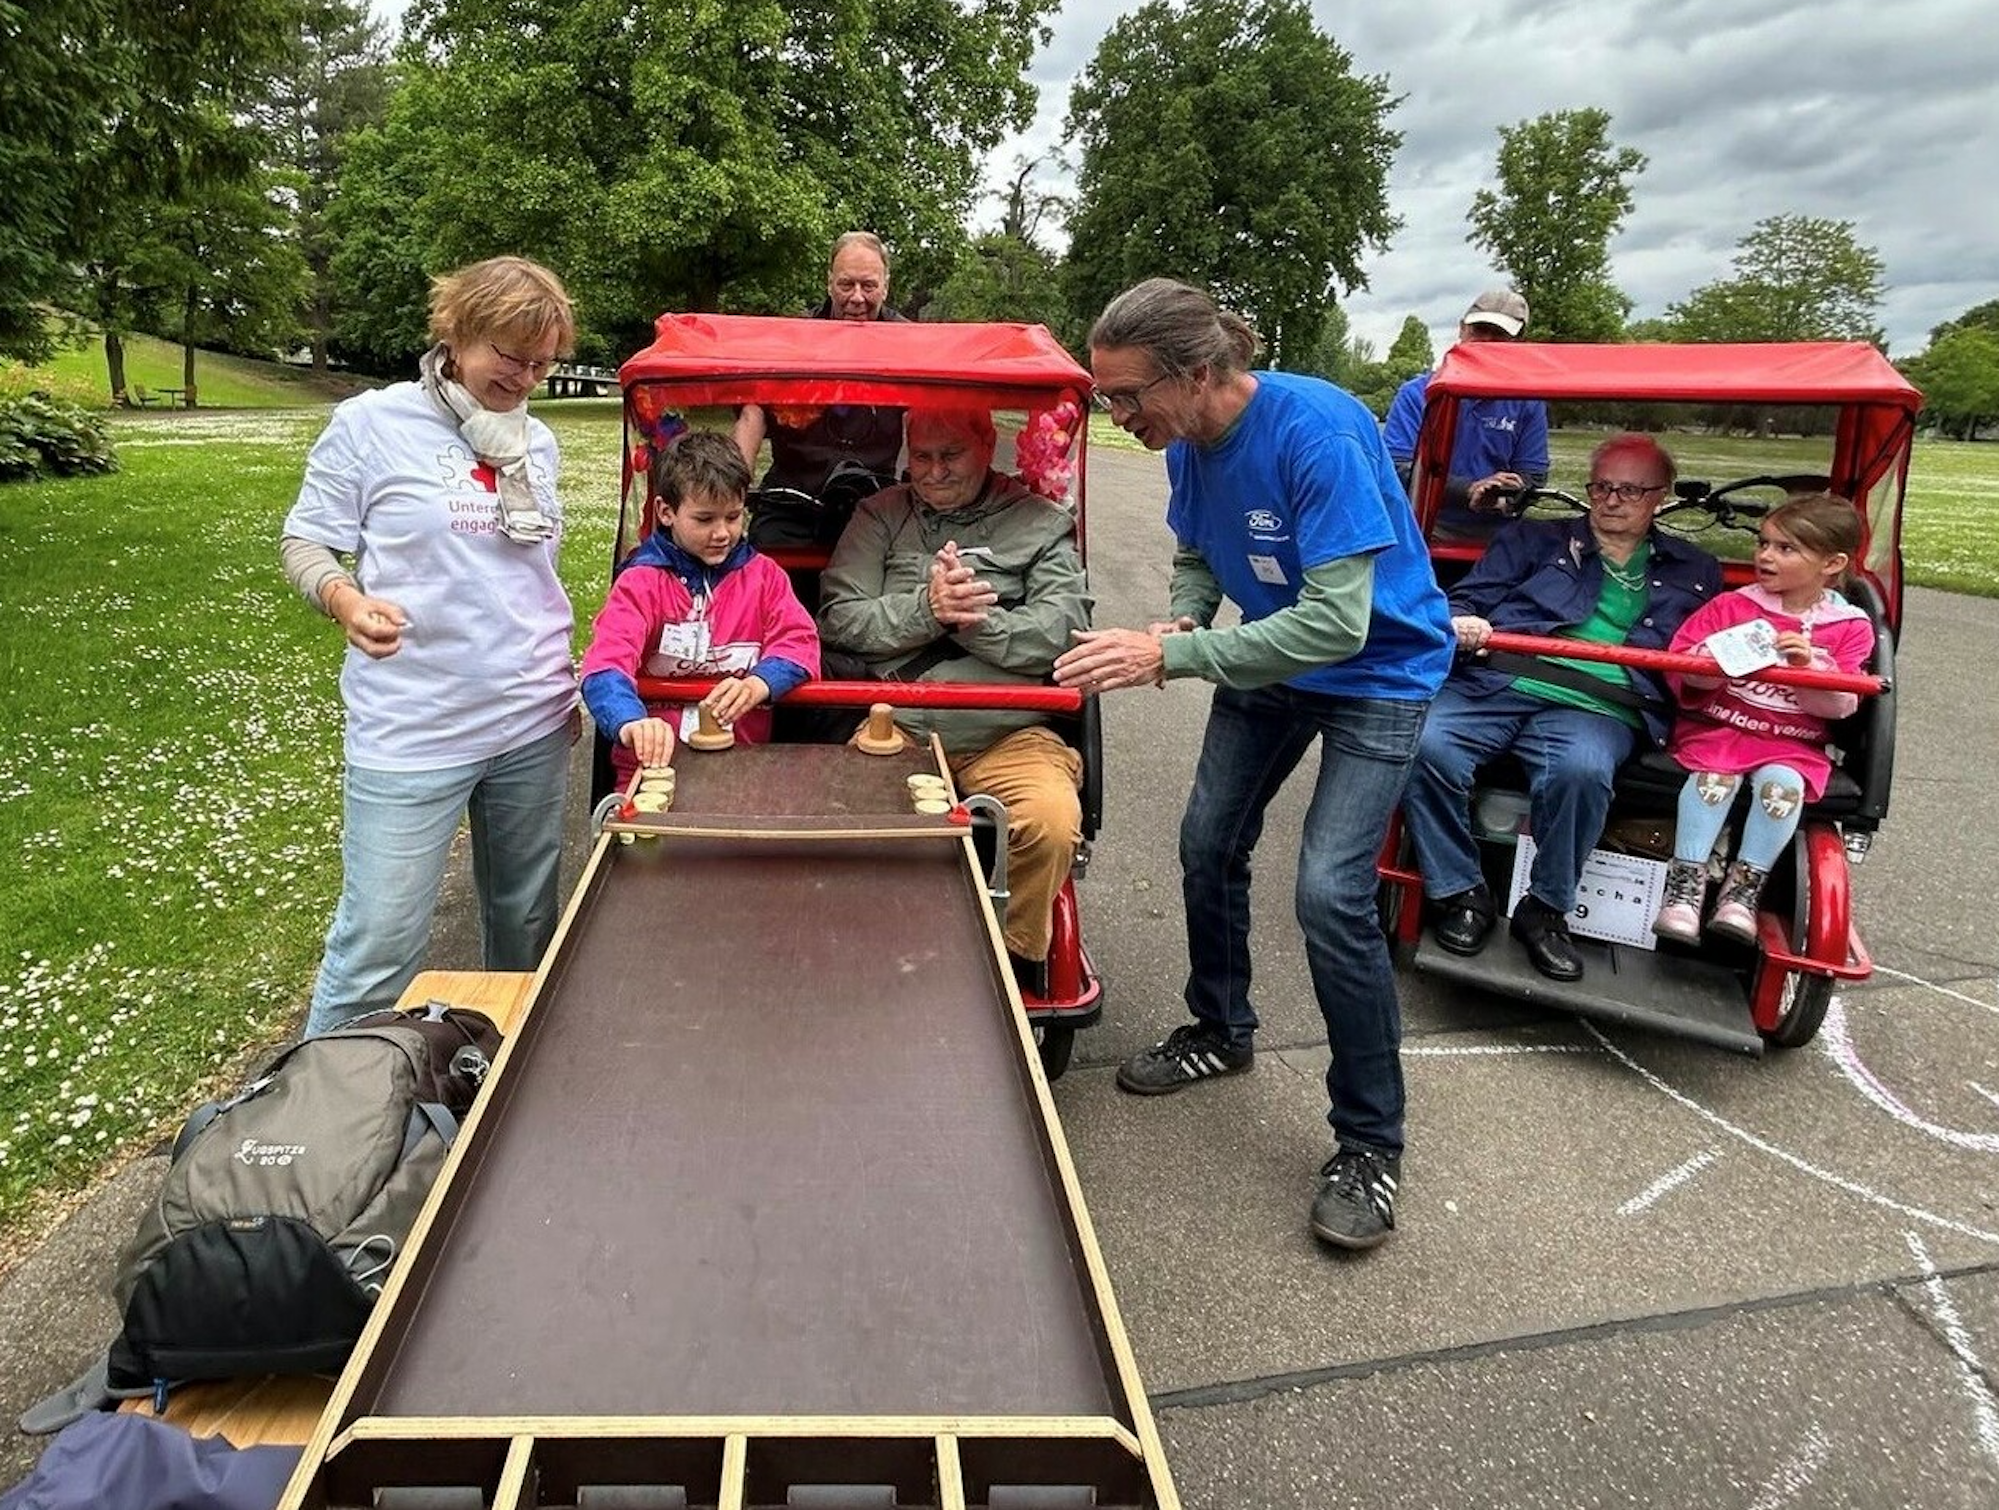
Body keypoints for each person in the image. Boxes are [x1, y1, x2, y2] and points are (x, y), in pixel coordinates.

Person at [1053, 277, 1454, 1253]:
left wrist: (1170, 654)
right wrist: (1186, 611)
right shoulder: (1188, 442)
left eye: (1125, 396)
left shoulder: (1319, 431)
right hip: (1278, 660)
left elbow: (1339, 621)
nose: (1116, 414)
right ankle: (1219, 1029)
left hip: (1378, 675)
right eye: (1107, 397)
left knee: (1326, 890)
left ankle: (1368, 1143)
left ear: (1198, 374)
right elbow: (1196, 548)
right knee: (1206, 840)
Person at [280, 256, 579, 1037]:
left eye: (541, 364)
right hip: (413, 725)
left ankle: (500, 1079)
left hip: (532, 716)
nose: (522, 379)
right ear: (455, 331)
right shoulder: (371, 423)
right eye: (509, 357)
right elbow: (307, 542)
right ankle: (323, 1118)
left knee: (524, 924)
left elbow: (527, 574)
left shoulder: (537, 443)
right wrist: (344, 599)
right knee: (379, 942)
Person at [1400, 433, 1722, 984]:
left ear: (1661, 497)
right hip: (1502, 680)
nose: (1612, 500)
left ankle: (1544, 909)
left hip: (1602, 702)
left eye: (1630, 490)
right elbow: (1467, 597)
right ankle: (1460, 891)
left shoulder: (1695, 568)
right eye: (1601, 487)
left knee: (1582, 770)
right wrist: (1464, 620)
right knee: (1421, 742)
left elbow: (1707, 647)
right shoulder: (1530, 539)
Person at [818, 407, 1091, 984]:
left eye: (952, 455)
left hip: (1010, 731)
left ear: (988, 444)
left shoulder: (1040, 523)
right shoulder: (880, 516)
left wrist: (975, 622)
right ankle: (871, 955)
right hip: (900, 727)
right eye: (922, 457)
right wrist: (927, 609)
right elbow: (839, 618)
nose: (935, 471)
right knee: (843, 820)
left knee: (1051, 819)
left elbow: (1064, 631)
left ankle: (1007, 966)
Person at [1651, 493, 1874, 944]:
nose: (1766, 556)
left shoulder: (1850, 626)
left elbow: (1842, 705)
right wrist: (1710, 662)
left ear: (1832, 563)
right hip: (1722, 728)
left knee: (1782, 789)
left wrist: (1807, 670)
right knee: (1713, 781)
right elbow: (1680, 669)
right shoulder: (1730, 607)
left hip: (1792, 742)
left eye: (1785, 549)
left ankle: (1743, 892)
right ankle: (1685, 888)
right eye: (1764, 544)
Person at [580, 431, 820, 785]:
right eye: (705, 519)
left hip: (744, 763)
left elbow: (801, 642)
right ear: (666, 512)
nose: (723, 532)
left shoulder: (765, 577)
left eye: (734, 516)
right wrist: (630, 721)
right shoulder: (640, 583)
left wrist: (759, 683)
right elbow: (605, 664)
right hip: (650, 769)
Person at [731, 231, 909, 504]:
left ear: (885, 286)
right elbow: (752, 413)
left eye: (869, 286)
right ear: (829, 284)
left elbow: (934, 417)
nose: (857, 297)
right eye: (846, 285)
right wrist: (730, 496)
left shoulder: (910, 343)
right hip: (792, 492)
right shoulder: (792, 340)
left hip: (874, 499)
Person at [1381, 289, 1548, 540]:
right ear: (1462, 329)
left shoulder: (1529, 402)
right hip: (1422, 528)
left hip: (1497, 535)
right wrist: (1469, 490)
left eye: (1500, 335)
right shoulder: (1417, 394)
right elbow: (1395, 468)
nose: (1487, 341)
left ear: (1518, 342)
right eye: (1480, 330)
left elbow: (1533, 475)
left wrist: (1505, 492)